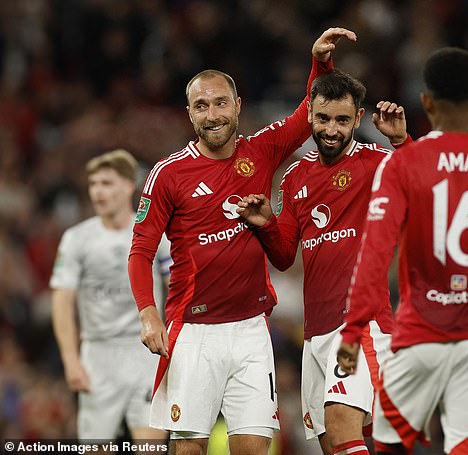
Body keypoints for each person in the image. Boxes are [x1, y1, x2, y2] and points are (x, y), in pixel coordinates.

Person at [128, 28, 355, 455]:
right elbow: (140, 251)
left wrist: (320, 65)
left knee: (254, 448)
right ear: (189, 114)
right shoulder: (168, 174)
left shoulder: (261, 151)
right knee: (189, 449)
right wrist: (147, 315)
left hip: (252, 330)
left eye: (219, 103)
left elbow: (307, 115)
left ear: (237, 106)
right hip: (193, 331)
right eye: (201, 106)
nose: (212, 114)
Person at [337, 47, 468, 455]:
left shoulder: (403, 164)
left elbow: (375, 252)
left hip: (416, 343)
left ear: (426, 101)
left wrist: (354, 328)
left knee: (390, 446)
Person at [236, 69, 411, 455]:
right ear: (311, 116)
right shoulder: (295, 176)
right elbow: (283, 256)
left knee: (342, 426)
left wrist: (401, 140)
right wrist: (266, 224)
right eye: (323, 118)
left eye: (342, 120)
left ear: (359, 119)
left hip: (359, 324)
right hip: (314, 332)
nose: (331, 129)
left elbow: (422, 185)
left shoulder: (376, 162)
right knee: (331, 443)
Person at [51, 149, 170, 441]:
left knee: (150, 447)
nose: (97, 192)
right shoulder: (77, 239)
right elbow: (62, 300)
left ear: (130, 185)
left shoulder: (156, 234)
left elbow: (178, 286)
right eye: (93, 184)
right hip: (98, 355)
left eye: (106, 183)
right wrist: (70, 359)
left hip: (146, 352)